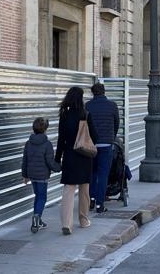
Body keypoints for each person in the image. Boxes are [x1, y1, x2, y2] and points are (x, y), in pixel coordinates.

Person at [55, 87, 98, 235]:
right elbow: (95, 137)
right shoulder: (85, 114)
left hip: (69, 156)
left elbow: (61, 139)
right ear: (80, 98)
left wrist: (57, 158)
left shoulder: (64, 114)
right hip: (84, 156)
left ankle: (66, 224)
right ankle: (83, 220)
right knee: (84, 189)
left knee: (68, 189)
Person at [22, 117, 61, 233]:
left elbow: (25, 160)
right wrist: (59, 168)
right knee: (42, 197)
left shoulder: (28, 143)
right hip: (42, 176)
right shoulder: (47, 144)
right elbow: (50, 162)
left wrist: (25, 175)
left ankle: (37, 219)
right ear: (45, 130)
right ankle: (37, 216)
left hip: (32, 175)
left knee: (37, 196)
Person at [86, 82, 119, 213]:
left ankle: (91, 200)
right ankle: (100, 204)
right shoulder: (112, 105)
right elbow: (116, 123)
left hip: (91, 145)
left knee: (92, 173)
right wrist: (112, 137)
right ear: (104, 91)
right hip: (106, 144)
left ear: (93, 93)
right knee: (103, 174)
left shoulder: (87, 106)